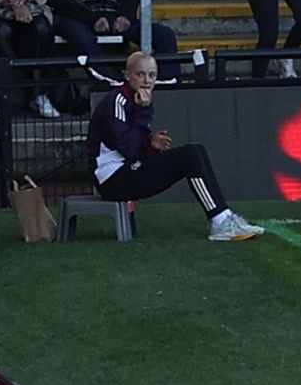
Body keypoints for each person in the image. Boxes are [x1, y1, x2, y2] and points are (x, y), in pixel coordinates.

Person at [75, 45, 263, 240]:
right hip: (112, 179)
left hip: (126, 169)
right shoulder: (119, 101)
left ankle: (223, 216)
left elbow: (134, 146)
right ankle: (220, 220)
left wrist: (150, 144)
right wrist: (143, 120)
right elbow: (128, 148)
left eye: (152, 75)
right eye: (140, 74)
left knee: (195, 151)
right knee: (190, 156)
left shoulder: (137, 100)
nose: (147, 80)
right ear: (127, 75)